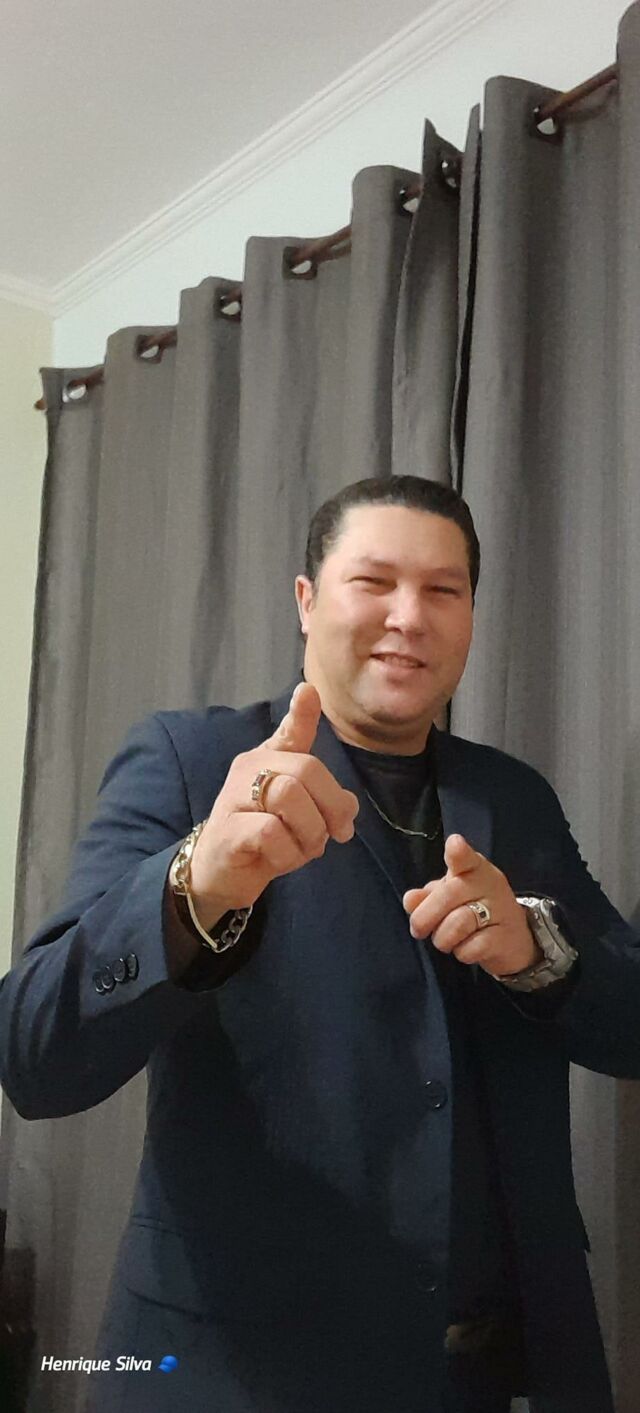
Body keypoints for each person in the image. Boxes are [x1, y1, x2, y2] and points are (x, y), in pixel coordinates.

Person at [1, 475, 639, 1413]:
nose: (409, 617)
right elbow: (32, 1054)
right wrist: (193, 886)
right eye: (373, 581)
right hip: (242, 1375)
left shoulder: (514, 797)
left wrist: (540, 951)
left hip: (495, 1373)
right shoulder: (192, 761)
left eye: (444, 589)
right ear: (306, 600)